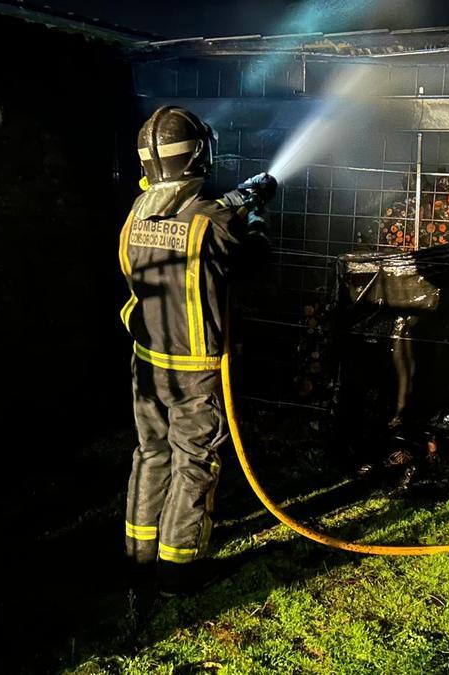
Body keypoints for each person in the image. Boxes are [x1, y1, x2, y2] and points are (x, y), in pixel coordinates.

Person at [118, 105, 275, 595]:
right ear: (198, 156)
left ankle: (140, 556)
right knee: (194, 462)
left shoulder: (135, 216)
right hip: (196, 369)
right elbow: (255, 260)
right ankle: (179, 570)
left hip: (147, 364)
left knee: (151, 453)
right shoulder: (213, 222)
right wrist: (255, 218)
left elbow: (180, 227)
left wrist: (231, 204)